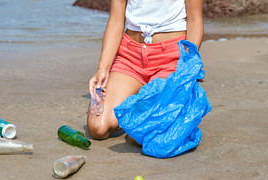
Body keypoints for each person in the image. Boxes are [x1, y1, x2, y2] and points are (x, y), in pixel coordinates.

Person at [87, 0, 204, 140]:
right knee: (97, 128)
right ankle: (142, 101)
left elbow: (195, 20)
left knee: (143, 135)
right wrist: (103, 68)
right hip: (130, 56)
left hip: (171, 58)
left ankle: (152, 103)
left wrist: (189, 64)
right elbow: (115, 20)